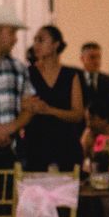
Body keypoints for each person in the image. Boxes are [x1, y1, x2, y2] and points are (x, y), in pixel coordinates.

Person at [24, 25, 84, 171]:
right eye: (35, 40)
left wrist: (50, 110)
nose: (36, 45)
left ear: (56, 44)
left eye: (41, 40)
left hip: (65, 144)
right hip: (36, 144)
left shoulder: (71, 75)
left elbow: (78, 114)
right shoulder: (28, 73)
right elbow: (22, 104)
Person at [0, 5, 35, 168]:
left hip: (9, 153)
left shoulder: (19, 68)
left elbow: (29, 107)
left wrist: (8, 129)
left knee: (9, 193)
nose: (15, 39)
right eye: (11, 32)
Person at [79, 42, 109, 125]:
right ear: (82, 59)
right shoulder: (76, 80)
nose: (96, 61)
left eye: (99, 57)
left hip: (105, 128)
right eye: (92, 57)